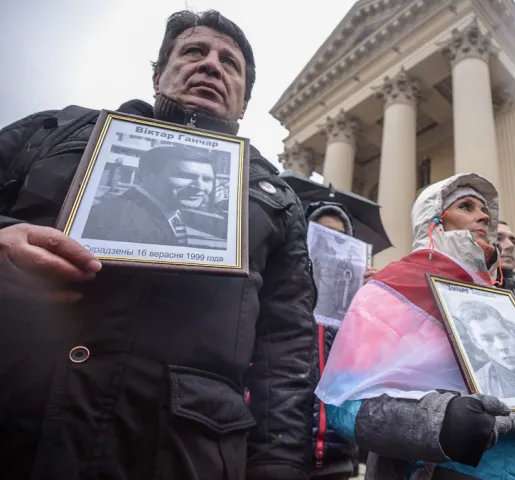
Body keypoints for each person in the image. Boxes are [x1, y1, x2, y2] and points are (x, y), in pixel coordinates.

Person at [0, 11, 317, 479]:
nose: (211, 65)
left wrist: (279, 465)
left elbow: (286, 346)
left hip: (180, 451)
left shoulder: (275, 199)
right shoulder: (56, 131)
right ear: (158, 73)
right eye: (194, 52)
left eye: (230, 63)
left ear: (244, 102)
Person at [314, 173, 515, 480]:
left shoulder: (507, 306)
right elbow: (344, 404)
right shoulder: (389, 290)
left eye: (484, 208)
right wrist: (441, 422)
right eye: (467, 206)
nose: (483, 215)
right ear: (435, 221)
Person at [305, 201, 364, 480]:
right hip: (282, 450)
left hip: (337, 454)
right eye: (323, 233)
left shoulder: (355, 302)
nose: (332, 243)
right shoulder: (283, 292)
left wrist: (371, 300)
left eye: (341, 237)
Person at [83, 145, 217, 246]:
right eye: (185, 176)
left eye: (207, 179)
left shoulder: (170, 209)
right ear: (145, 174)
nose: (200, 187)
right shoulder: (118, 222)